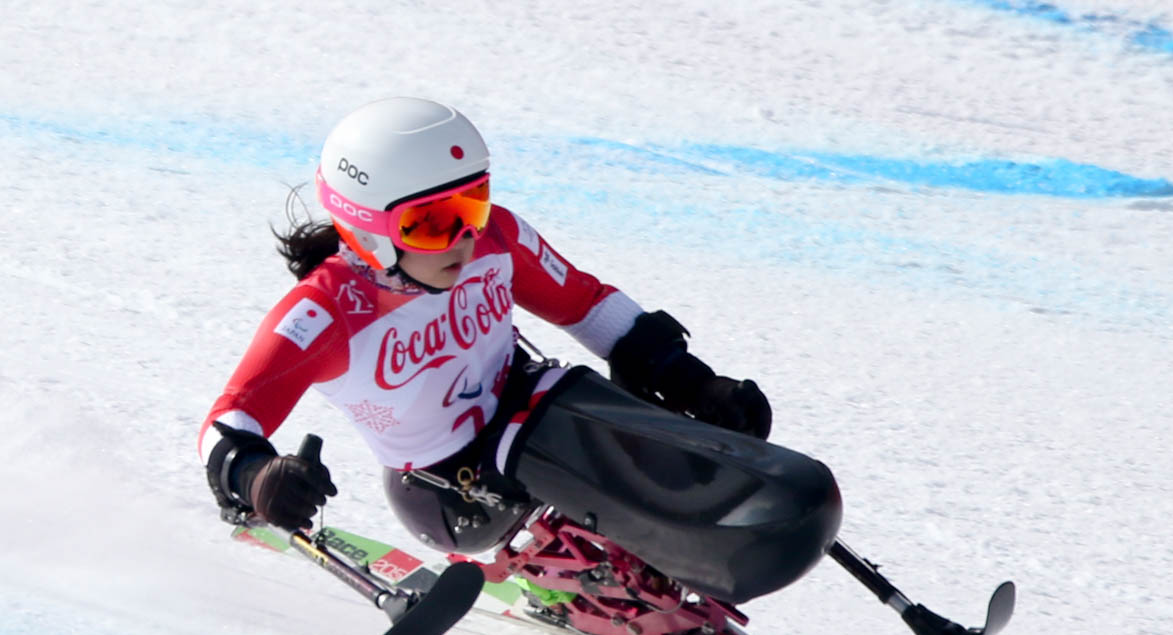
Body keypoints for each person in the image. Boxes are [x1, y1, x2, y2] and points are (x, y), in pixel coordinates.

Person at [201, 97, 839, 606]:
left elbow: (587, 305)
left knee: (579, 399)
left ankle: (731, 509)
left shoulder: (494, 237)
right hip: (450, 491)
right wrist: (257, 475)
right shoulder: (327, 311)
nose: (462, 235)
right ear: (369, 227)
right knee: (558, 415)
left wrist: (688, 379)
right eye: (429, 222)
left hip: (532, 413)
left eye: (471, 203)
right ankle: (649, 560)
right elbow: (230, 421)